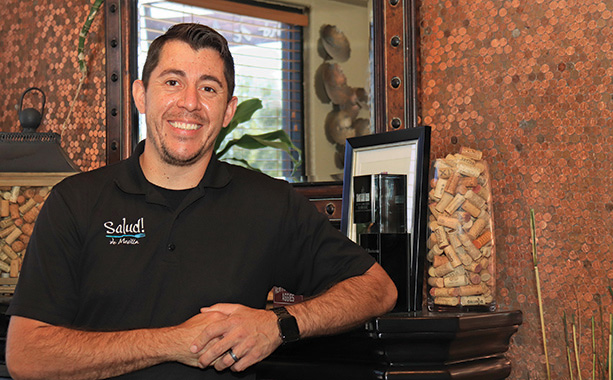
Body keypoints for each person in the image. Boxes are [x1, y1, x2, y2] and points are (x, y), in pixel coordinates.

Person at [5, 23, 397, 380]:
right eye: (172, 82)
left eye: (209, 88)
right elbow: (26, 355)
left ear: (228, 109)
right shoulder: (75, 202)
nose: (190, 103)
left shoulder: (268, 203)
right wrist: (175, 341)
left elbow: (378, 288)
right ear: (141, 95)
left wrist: (278, 324)